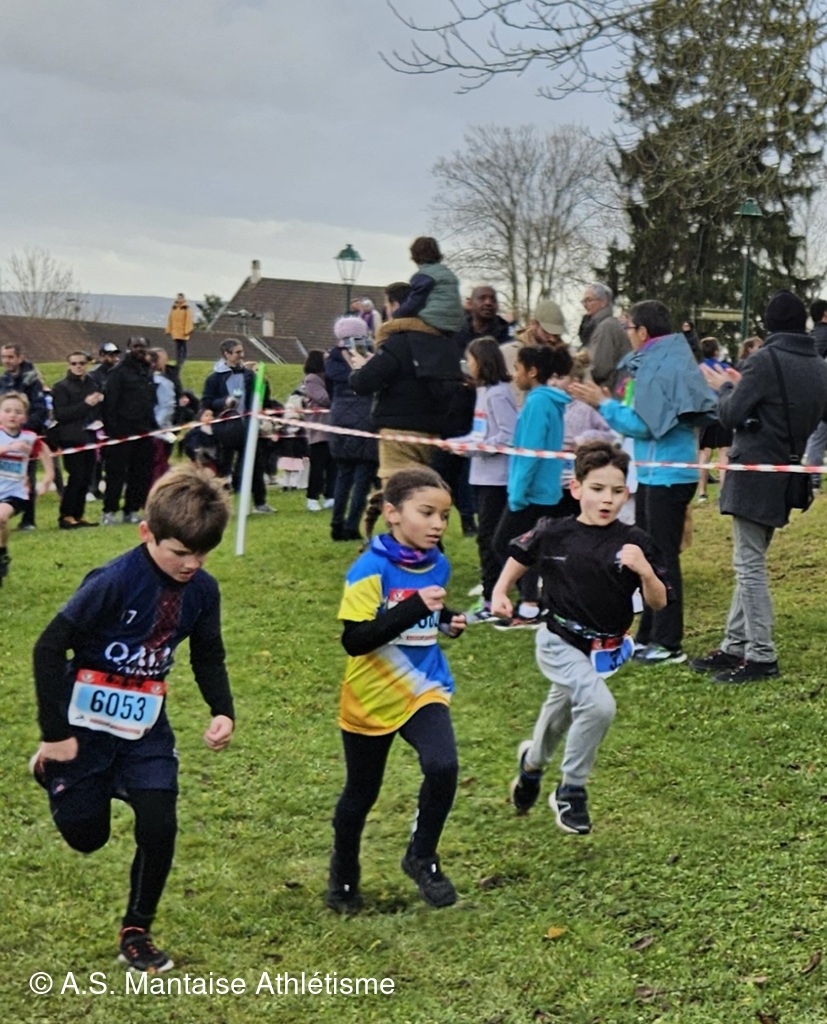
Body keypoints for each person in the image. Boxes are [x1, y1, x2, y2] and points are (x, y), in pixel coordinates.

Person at [30, 466, 235, 972]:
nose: (192, 564)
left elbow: (208, 654)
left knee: (159, 823)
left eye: (202, 553)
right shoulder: (113, 581)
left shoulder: (203, 591)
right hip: (84, 728)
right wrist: (55, 735)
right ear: (147, 533)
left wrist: (222, 710)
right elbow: (48, 648)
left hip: (144, 728)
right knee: (87, 837)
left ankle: (136, 930)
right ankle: (49, 769)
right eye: (180, 552)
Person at [492, 441, 668, 833]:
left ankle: (531, 768)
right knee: (599, 706)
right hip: (558, 640)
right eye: (597, 489)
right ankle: (571, 790)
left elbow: (658, 602)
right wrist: (501, 591)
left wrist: (645, 571)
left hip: (603, 648)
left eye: (616, 491)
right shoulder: (554, 532)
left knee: (560, 712)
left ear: (627, 492)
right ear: (576, 488)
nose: (607, 499)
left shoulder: (636, 541)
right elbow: (521, 555)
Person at [327, 467, 466, 914]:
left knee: (443, 765)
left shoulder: (437, 562)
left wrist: (447, 619)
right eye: (426, 513)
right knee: (361, 793)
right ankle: (343, 877)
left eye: (444, 516)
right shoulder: (369, 569)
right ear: (392, 513)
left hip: (425, 686)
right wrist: (415, 609)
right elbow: (356, 639)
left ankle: (421, 855)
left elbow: (427, 609)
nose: (437, 525)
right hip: (371, 695)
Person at [691, 290, 827, 683]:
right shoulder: (818, 365)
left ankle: (762, 655)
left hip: (754, 472)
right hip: (787, 470)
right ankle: (735, 645)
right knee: (749, 560)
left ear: (769, 325)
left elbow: (730, 415)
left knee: (749, 566)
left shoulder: (764, 360)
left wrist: (725, 387)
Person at [571, 300, 716, 665]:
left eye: (628, 327)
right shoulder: (663, 360)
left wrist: (604, 405)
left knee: (662, 558)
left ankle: (669, 642)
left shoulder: (659, 365)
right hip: (657, 472)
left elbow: (645, 425)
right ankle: (650, 633)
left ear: (643, 331)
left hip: (667, 475)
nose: (627, 334)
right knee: (650, 555)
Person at [491, 344, 572, 629]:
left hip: (532, 492)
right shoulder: (546, 401)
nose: (515, 375)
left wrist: (518, 492)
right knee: (530, 547)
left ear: (532, 371)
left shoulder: (538, 402)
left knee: (506, 544)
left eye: (517, 368)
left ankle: (531, 604)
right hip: (542, 490)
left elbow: (530, 451)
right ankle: (533, 603)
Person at [449, 336, 517, 621]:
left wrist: (474, 449)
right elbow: (480, 433)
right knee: (487, 538)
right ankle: (495, 590)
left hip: (497, 479)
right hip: (480, 475)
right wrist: (458, 444)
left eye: (471, 359)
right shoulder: (483, 392)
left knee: (490, 539)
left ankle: (492, 598)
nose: (468, 365)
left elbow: (507, 436)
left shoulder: (499, 393)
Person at [201, 339, 275, 514]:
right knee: (223, 468)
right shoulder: (214, 378)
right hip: (225, 428)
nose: (242, 355)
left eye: (242, 351)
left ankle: (260, 503)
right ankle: (218, 504)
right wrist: (224, 402)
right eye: (237, 352)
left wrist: (264, 385)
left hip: (248, 427)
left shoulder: (250, 376)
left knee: (255, 466)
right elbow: (207, 401)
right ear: (226, 354)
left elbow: (263, 400)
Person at [326, 317, 378, 541]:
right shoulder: (370, 358)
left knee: (343, 475)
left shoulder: (332, 359)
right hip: (366, 419)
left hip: (340, 420)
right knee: (363, 478)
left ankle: (336, 523)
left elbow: (330, 387)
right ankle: (351, 525)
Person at [0, 391, 54, 586]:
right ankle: (3, 551)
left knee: (1, 517)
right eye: (7, 411)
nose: (12, 415)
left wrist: (48, 477)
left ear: (24, 417)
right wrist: (8, 449)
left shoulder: (29, 437)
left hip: (16, 492)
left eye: (17, 412)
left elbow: (44, 450)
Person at [50, 351, 105, 529]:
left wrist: (99, 406)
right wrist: (86, 404)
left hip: (90, 435)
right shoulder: (61, 387)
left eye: (82, 363)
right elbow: (62, 414)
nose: (78, 366)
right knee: (76, 476)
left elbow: (97, 408)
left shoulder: (92, 384)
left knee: (87, 477)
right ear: (69, 365)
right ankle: (66, 515)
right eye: (74, 363)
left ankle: (78, 514)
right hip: (71, 438)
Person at [0, 343, 48, 530]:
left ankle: (28, 519)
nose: (7, 361)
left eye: (10, 357)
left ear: (20, 358)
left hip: (25, 435)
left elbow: (40, 409)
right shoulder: (3, 380)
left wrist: (21, 430)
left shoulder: (32, 379)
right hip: (4, 433)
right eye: (4, 357)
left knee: (27, 478)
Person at [392, 236, 464, 335]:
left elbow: (413, 304)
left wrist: (396, 314)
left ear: (415, 255)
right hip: (454, 324)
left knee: (386, 328)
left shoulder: (424, 275)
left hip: (434, 322)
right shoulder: (448, 273)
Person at [696, 337, 733, 502]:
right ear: (716, 352)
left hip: (706, 413)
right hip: (723, 411)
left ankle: (702, 492)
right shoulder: (724, 368)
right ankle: (723, 493)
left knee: (705, 453)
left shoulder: (698, 369)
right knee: (724, 452)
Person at [300, 350, 336, 512]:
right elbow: (324, 398)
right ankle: (312, 497)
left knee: (333, 465)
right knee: (318, 466)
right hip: (319, 429)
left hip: (333, 428)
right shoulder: (312, 379)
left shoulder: (330, 379)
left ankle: (330, 496)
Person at [578, 284, 631, 393]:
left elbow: (600, 368)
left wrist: (579, 373)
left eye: (589, 300)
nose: (585, 305)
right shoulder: (603, 326)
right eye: (583, 301)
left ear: (603, 302)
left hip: (608, 392)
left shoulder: (606, 327)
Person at [165, 293, 194, 368]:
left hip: (183, 332)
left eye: (181, 298)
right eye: (178, 298)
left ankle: (182, 361)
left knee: (183, 347)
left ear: (183, 299)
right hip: (176, 332)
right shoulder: (174, 308)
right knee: (177, 347)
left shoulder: (186, 308)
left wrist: (187, 330)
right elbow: (170, 320)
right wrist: (168, 330)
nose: (179, 299)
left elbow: (189, 320)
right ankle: (178, 361)